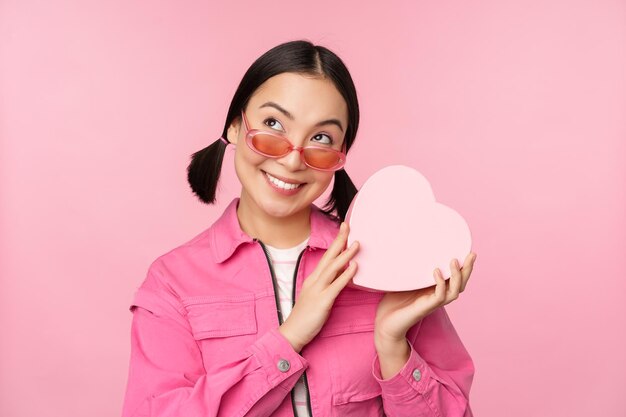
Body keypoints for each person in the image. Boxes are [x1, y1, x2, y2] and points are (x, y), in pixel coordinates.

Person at [121, 39, 477, 417]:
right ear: (236, 127)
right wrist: (290, 337)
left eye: (321, 138)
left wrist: (393, 347)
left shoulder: (388, 261)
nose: (293, 160)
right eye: (273, 124)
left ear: (340, 156)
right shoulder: (172, 282)